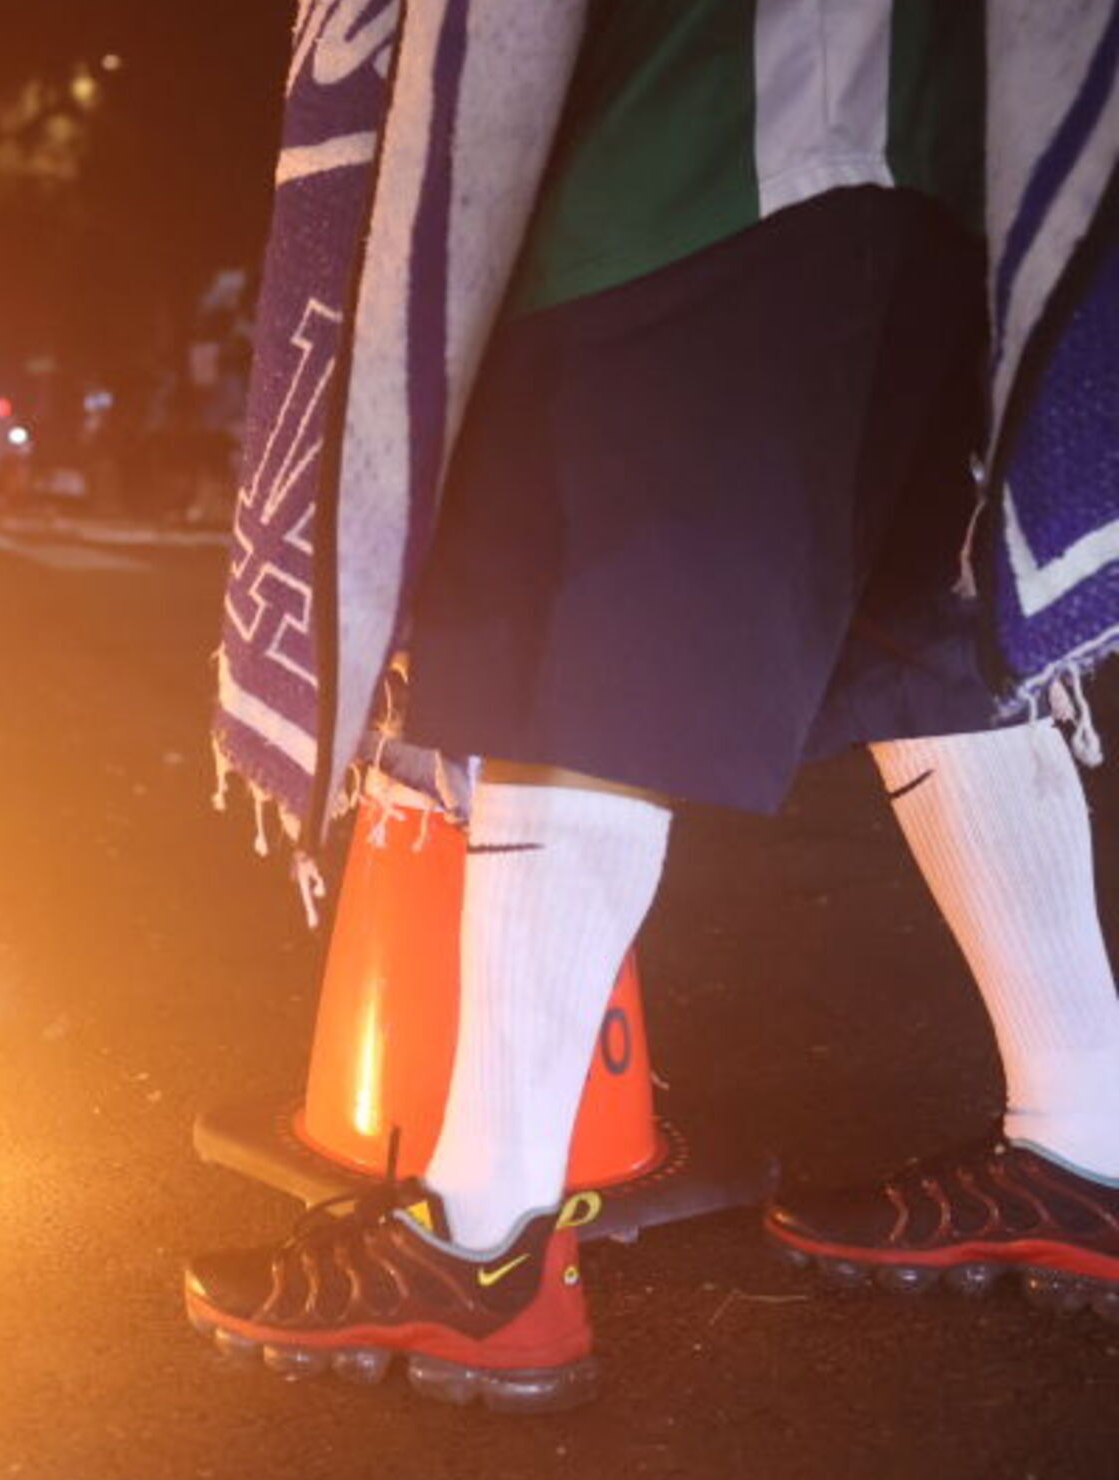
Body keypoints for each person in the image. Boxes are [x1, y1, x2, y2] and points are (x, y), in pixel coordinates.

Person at [187, 7, 1119, 1412]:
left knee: (576, 623)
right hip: (921, 154)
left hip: (718, 139)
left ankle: (481, 1248)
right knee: (924, 636)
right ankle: (1090, 1145)